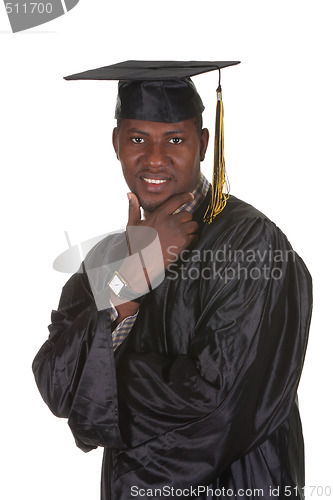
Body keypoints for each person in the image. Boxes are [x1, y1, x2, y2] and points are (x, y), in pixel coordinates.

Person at [32, 61, 312, 500]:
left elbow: (220, 403)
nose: (155, 158)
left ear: (203, 143)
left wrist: (100, 386)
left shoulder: (253, 244)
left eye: (175, 139)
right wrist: (129, 281)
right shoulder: (108, 257)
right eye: (138, 139)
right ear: (116, 143)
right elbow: (55, 381)